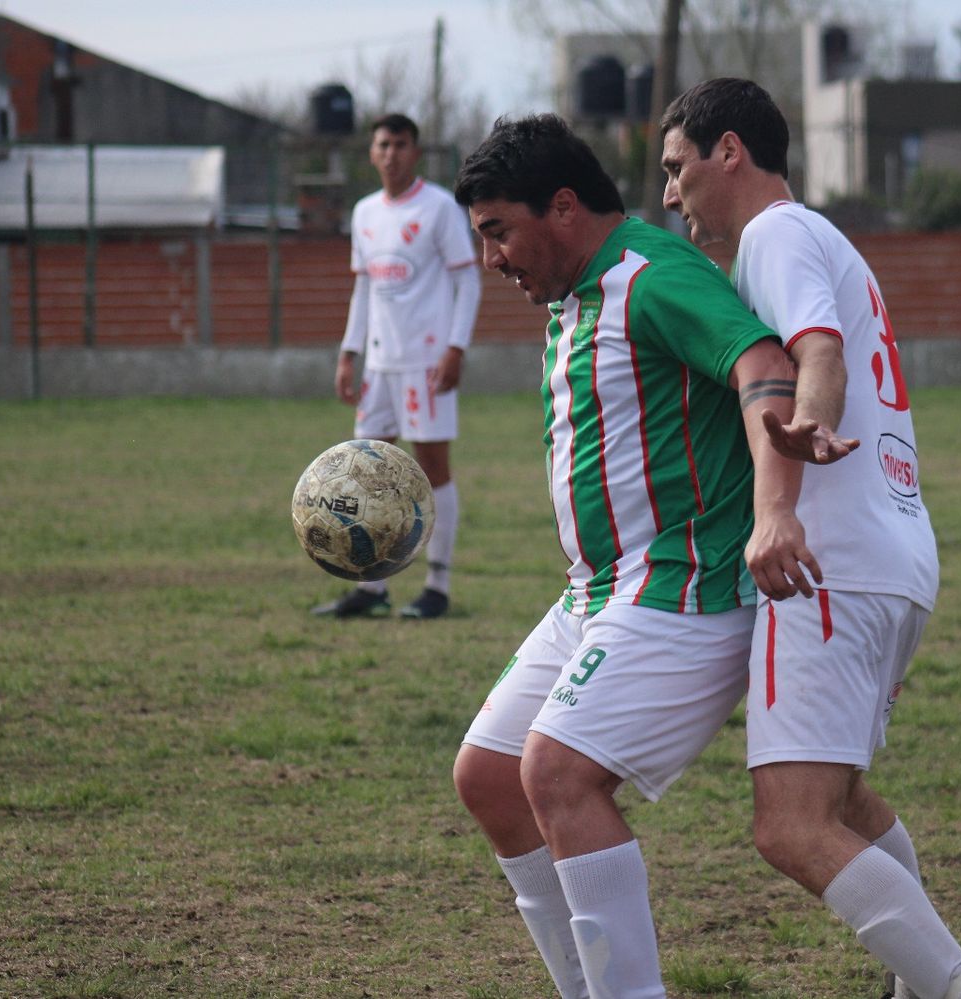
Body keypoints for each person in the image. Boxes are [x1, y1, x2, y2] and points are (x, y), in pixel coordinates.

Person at [449, 113, 817, 999]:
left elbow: (762, 364)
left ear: (564, 207)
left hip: (685, 586)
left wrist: (776, 511)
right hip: (599, 589)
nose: (492, 257)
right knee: (492, 777)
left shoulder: (650, 277)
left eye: (499, 231)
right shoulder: (578, 292)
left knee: (558, 771)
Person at [659, 78, 961, 999]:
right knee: (841, 799)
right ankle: (918, 982)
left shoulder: (775, 234)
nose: (669, 192)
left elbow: (818, 351)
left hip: (828, 563)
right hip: (894, 555)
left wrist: (801, 446)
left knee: (789, 824)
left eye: (676, 165)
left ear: (727, 151)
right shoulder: (822, 237)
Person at [313, 113, 482, 619]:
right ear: (372, 152)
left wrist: (456, 348)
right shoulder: (365, 213)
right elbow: (364, 288)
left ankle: (437, 585)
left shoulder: (439, 209)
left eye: (401, 144)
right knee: (368, 473)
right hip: (380, 368)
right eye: (383, 144)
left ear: (415, 152)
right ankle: (371, 586)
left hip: (426, 362)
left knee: (432, 470)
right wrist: (349, 353)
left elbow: (468, 281)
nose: (391, 153)